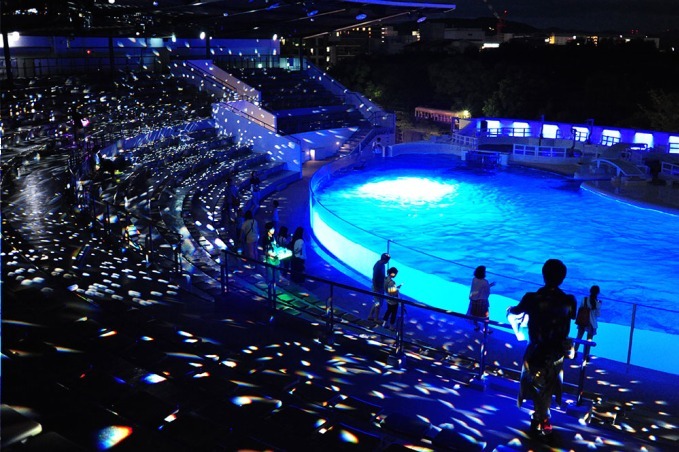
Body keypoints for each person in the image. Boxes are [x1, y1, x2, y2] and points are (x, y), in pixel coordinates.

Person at [507, 259, 577, 437]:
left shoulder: (531, 298)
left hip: (536, 350)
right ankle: (542, 418)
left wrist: (509, 311)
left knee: (537, 385)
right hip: (556, 354)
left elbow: (515, 311)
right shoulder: (569, 301)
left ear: (543, 275)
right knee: (547, 387)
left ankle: (541, 419)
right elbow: (570, 319)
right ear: (562, 278)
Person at [574, 285, 602, 353]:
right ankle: (586, 356)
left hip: (582, 321)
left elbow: (580, 308)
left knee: (579, 337)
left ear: (590, 291)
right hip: (591, 323)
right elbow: (598, 315)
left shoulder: (584, 299)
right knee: (589, 341)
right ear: (598, 293)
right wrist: (600, 305)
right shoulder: (597, 303)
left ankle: (574, 352)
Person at [467, 265, 495, 332]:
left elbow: (478, 288)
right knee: (485, 317)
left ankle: (477, 326)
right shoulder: (485, 281)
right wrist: (490, 285)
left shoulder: (474, 279)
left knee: (474, 315)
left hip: (473, 301)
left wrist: (489, 285)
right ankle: (485, 329)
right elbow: (487, 291)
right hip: (482, 302)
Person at [368, 253, 390, 322]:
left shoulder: (382, 265)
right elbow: (374, 278)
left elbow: (382, 275)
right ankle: (376, 319)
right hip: (377, 287)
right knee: (378, 304)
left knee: (377, 302)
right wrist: (375, 288)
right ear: (385, 260)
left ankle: (370, 316)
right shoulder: (378, 266)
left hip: (381, 286)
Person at [263, 221, 280, 299]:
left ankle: (275, 290)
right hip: (270, 259)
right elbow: (265, 251)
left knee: (276, 274)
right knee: (270, 275)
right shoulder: (266, 238)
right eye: (272, 228)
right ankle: (270, 292)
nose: (274, 229)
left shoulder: (273, 237)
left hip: (275, 258)